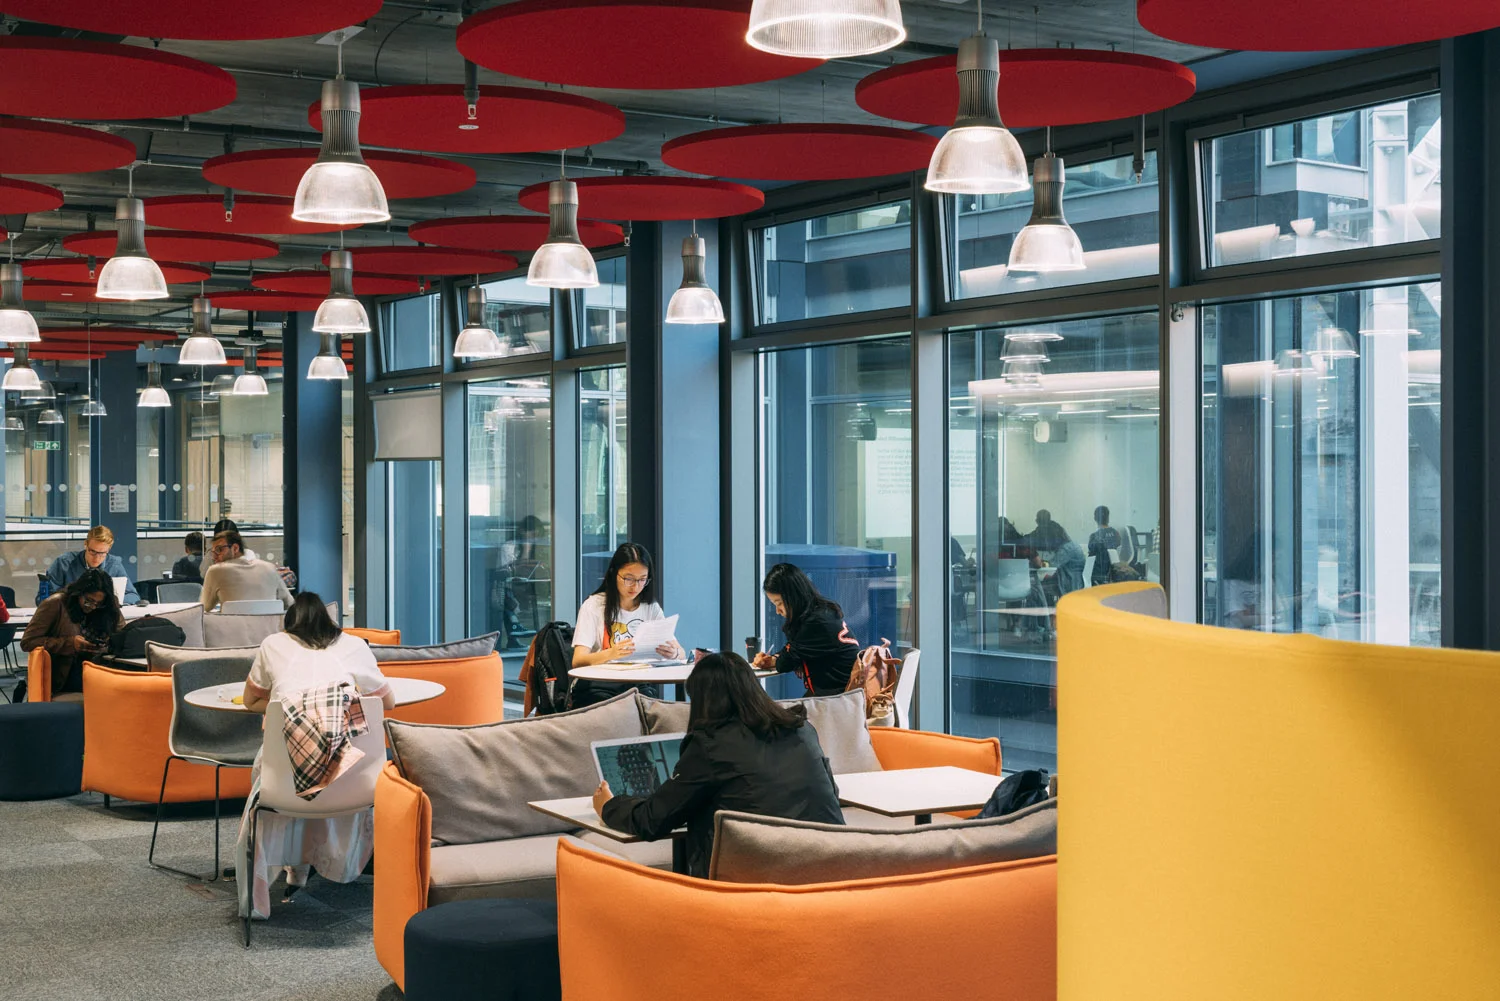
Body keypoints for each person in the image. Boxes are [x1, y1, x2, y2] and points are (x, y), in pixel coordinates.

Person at [593, 652, 845, 878]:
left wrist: (609, 806)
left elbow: (652, 820)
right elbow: (831, 793)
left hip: (755, 880)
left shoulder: (710, 746)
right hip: (830, 871)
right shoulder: (801, 729)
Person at [236, 592, 393, 920]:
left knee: (273, 763)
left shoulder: (273, 644)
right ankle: (328, 860)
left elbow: (251, 701)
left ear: (289, 625)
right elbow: (386, 702)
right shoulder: (354, 645)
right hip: (355, 781)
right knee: (344, 745)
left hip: (285, 784)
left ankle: (291, 865)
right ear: (330, 622)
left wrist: (287, 711)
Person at [571, 542, 682, 705]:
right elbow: (578, 660)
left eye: (642, 579)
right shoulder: (594, 605)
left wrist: (674, 653)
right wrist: (611, 653)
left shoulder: (650, 607)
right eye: (628, 579)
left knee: (651, 706)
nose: (635, 586)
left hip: (637, 683)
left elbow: (681, 653)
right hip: (599, 684)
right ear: (614, 574)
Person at [751, 563, 860, 697]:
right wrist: (773, 658)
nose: (778, 611)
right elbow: (792, 650)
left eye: (779, 603)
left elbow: (785, 662)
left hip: (839, 697)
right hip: (841, 693)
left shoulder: (815, 623)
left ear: (794, 597)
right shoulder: (821, 612)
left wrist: (772, 661)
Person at [21, 568, 126, 697]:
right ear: (78, 593)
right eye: (88, 601)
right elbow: (28, 642)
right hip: (65, 672)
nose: (93, 607)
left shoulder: (108, 606)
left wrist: (107, 646)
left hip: (100, 666)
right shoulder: (56, 603)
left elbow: (123, 636)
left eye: (98, 604)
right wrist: (69, 644)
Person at [37, 525, 138, 605]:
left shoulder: (114, 564)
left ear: (109, 550)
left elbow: (133, 596)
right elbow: (43, 599)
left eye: (102, 553)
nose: (97, 558)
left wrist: (107, 601)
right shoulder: (64, 563)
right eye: (92, 551)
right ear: (85, 544)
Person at [200, 529, 294, 611]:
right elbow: (289, 603)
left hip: (232, 626)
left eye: (219, 550)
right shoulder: (270, 568)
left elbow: (205, 607)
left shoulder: (215, 571)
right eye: (213, 552)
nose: (214, 556)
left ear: (235, 548)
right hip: (270, 626)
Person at [214, 518, 297, 591]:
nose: (217, 555)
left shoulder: (249, 557)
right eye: (217, 549)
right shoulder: (214, 562)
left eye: (221, 549)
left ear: (235, 547)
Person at [1087, 506, 1124, 586]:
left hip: (1099, 575)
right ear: (1108, 518)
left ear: (1095, 519)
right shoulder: (1117, 534)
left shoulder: (1094, 536)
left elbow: (1090, 558)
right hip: (1114, 572)